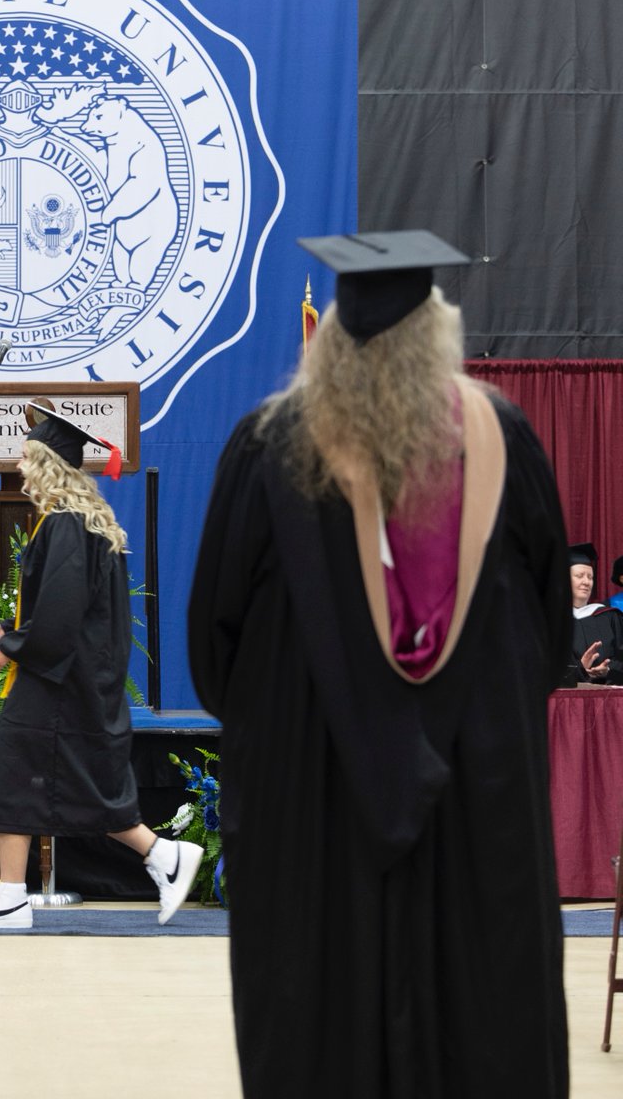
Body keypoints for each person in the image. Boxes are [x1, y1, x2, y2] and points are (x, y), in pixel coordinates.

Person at [188, 231, 570, 1097]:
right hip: (477, 811)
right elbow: (549, 633)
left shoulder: (266, 450)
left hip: (312, 815)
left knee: (322, 1027)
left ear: (328, 342)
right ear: (437, 335)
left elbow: (214, 648)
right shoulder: (505, 444)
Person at [0, 403, 203, 930]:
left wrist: (10, 649)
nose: (20, 468)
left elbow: (58, 621)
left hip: (56, 683)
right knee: (76, 785)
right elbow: (63, 614)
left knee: (18, 777)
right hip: (77, 679)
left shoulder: (64, 525)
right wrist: (10, 632)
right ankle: (165, 856)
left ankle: (12, 898)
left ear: (47, 466)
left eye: (25, 458)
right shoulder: (86, 525)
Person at [568, 542, 623, 684]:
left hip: (610, 702)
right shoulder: (550, 621)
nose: (586, 582)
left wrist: (609, 670)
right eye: (580, 576)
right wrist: (579, 670)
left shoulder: (610, 616)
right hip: (566, 702)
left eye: (590, 577)